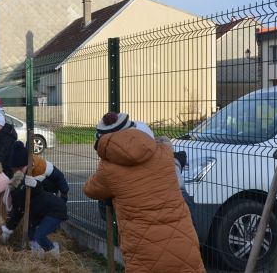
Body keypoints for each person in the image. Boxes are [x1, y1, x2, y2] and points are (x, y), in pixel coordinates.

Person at [83, 112, 204, 272]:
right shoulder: (164, 152)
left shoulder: (108, 170)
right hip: (183, 244)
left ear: (104, 140)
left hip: (143, 254)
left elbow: (89, 190)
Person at [0, 169, 68, 255]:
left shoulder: (19, 192)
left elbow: (38, 190)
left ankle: (53, 252)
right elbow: (17, 214)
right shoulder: (17, 194)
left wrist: (35, 184)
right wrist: (7, 229)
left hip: (55, 210)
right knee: (30, 229)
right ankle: (37, 250)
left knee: (39, 236)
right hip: (41, 211)